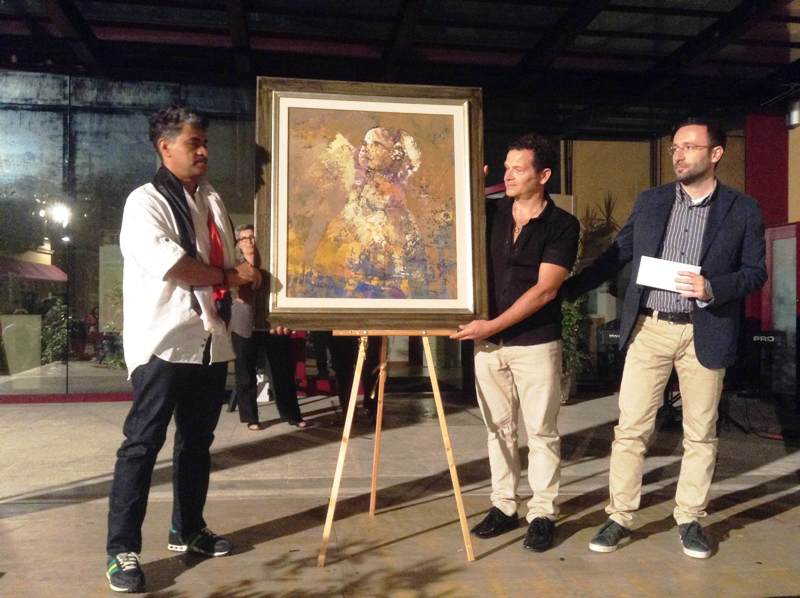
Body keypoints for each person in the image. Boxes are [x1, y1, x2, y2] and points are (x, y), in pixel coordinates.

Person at [563, 117, 767, 559]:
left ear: (716, 153)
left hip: (704, 329)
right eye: (675, 147)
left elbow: (755, 272)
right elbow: (617, 254)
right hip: (649, 328)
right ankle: (619, 516)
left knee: (700, 433)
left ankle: (689, 517)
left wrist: (712, 288)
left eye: (689, 147)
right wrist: (564, 291)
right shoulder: (652, 201)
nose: (678, 154)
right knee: (631, 428)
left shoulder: (743, 209)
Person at [105, 105, 262, 593]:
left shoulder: (211, 200)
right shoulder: (145, 201)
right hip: (164, 343)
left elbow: (227, 264)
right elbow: (174, 265)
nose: (204, 151)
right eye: (194, 143)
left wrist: (246, 276)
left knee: (196, 442)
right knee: (142, 444)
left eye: (205, 143)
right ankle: (121, 549)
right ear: (164, 146)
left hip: (209, 341)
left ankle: (188, 529)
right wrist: (231, 276)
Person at [451, 134, 579, 553]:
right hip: (488, 345)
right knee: (498, 430)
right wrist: (470, 180)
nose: (507, 175)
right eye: (505, 168)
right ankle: (504, 506)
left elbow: (546, 290)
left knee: (541, 432)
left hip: (535, 344)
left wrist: (491, 326)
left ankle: (542, 514)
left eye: (518, 169)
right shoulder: (490, 213)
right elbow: (445, 214)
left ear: (543, 175)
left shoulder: (562, 225)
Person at [229, 223, 311, 429]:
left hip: (271, 324)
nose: (249, 241)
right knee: (245, 372)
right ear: (238, 243)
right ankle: (251, 418)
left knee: (282, 370)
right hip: (242, 324)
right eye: (244, 238)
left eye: (253, 237)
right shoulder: (233, 266)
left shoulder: (273, 262)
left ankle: (292, 415)